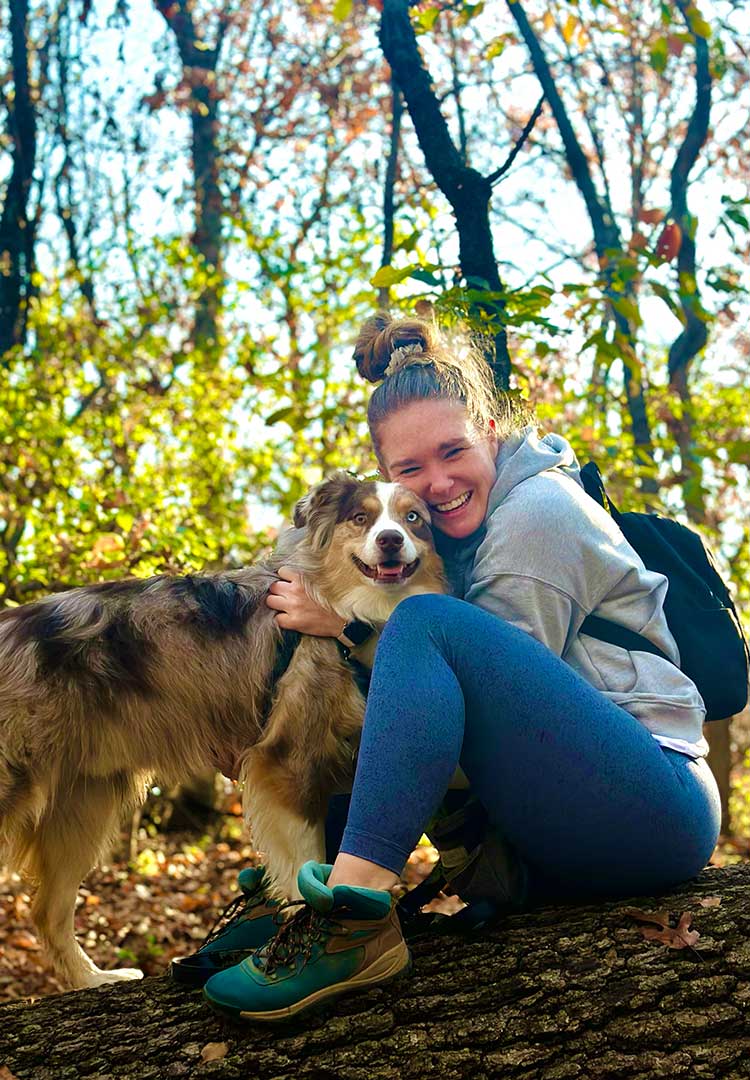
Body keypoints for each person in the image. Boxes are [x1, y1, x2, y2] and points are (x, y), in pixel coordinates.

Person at [195, 311, 721, 1022]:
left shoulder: (537, 516)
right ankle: (291, 897)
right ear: (388, 475)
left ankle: (351, 917)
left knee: (421, 624)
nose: (438, 483)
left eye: (453, 452)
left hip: (652, 803)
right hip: (564, 820)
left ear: (491, 432)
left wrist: (347, 627)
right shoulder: (440, 536)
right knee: (351, 686)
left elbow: (475, 716)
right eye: (411, 469)